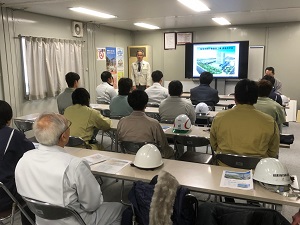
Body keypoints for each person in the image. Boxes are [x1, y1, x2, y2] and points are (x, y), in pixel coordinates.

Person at [15, 113, 124, 225]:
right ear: (64, 136)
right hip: (76, 220)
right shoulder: (75, 165)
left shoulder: (24, 159)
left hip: (41, 220)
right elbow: (92, 204)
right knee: (120, 209)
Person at [210, 79, 279, 159]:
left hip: (223, 166)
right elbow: (273, 152)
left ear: (235, 97)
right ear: (256, 98)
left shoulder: (219, 117)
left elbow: (214, 145)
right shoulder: (269, 121)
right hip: (256, 168)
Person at [0, 100, 35, 225]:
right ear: (9, 119)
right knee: (31, 185)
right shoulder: (13, 135)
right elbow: (32, 152)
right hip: (4, 198)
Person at [117, 90, 174, 159]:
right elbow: (163, 145)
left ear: (129, 103)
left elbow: (119, 140)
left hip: (128, 156)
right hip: (149, 159)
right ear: (146, 104)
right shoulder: (153, 123)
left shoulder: (122, 122)